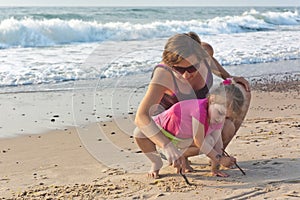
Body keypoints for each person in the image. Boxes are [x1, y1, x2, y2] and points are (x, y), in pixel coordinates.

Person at [134, 32, 251, 178]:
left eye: (191, 68)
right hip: (174, 130)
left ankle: (215, 156)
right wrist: (166, 145)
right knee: (140, 132)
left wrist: (228, 77)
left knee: (239, 92)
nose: (185, 75)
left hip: (202, 117)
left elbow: (212, 61)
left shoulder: (205, 52)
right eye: (178, 69)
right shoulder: (163, 74)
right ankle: (180, 157)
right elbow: (141, 117)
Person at [151, 82, 244, 178]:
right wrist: (220, 159)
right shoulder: (199, 110)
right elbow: (199, 141)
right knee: (205, 142)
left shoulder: (217, 116)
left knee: (211, 141)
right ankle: (166, 156)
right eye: (220, 113)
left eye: (226, 116)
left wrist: (215, 169)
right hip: (163, 131)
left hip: (182, 135)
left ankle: (182, 155)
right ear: (212, 100)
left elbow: (218, 144)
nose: (221, 119)